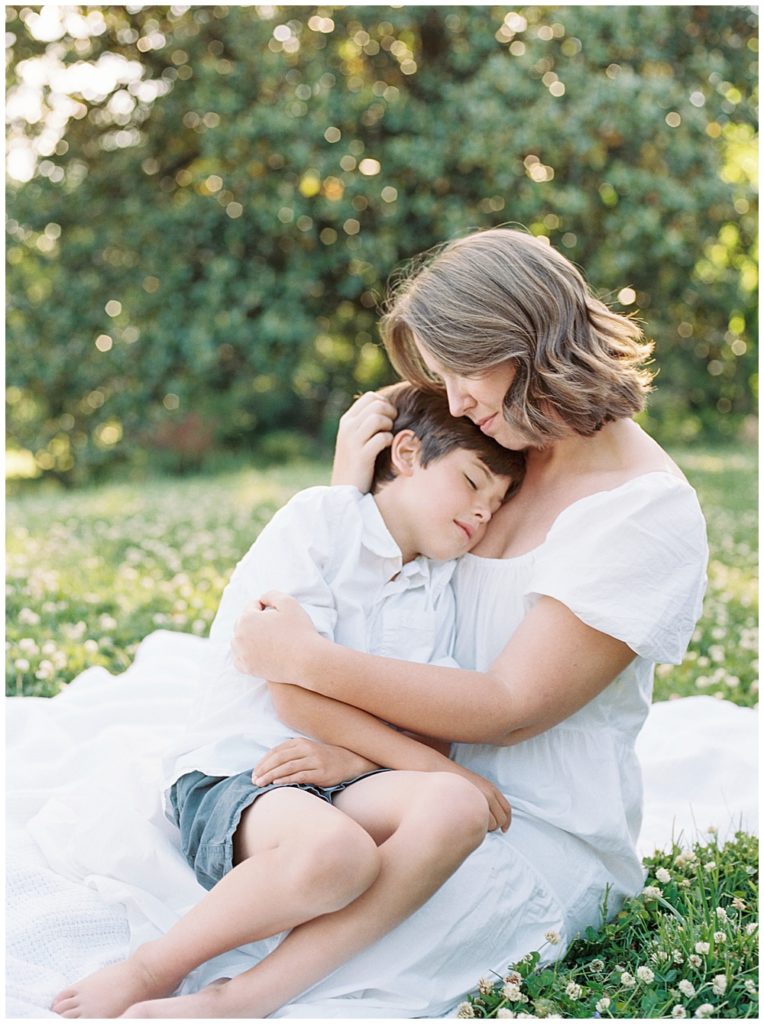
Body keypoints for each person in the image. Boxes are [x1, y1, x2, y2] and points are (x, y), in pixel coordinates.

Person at [221, 227, 709, 1018]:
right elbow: (378, 596)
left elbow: (509, 707)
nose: (455, 404)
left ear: (522, 341)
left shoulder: (643, 512)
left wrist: (304, 660)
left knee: (335, 965)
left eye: (461, 373)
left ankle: (233, 1000)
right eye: (439, 383)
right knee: (236, 880)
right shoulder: (496, 454)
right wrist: (350, 487)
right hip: (390, 779)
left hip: (534, 824)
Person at [51, 383, 524, 1020]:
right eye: (471, 483)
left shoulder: (439, 585)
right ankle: (150, 967)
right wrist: (432, 766)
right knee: (341, 853)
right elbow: (293, 689)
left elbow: (428, 723)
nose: (480, 515)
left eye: (495, 505)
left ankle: (245, 998)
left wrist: (359, 764)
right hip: (243, 773)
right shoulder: (319, 521)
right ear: (407, 454)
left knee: (459, 806)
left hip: (341, 781)